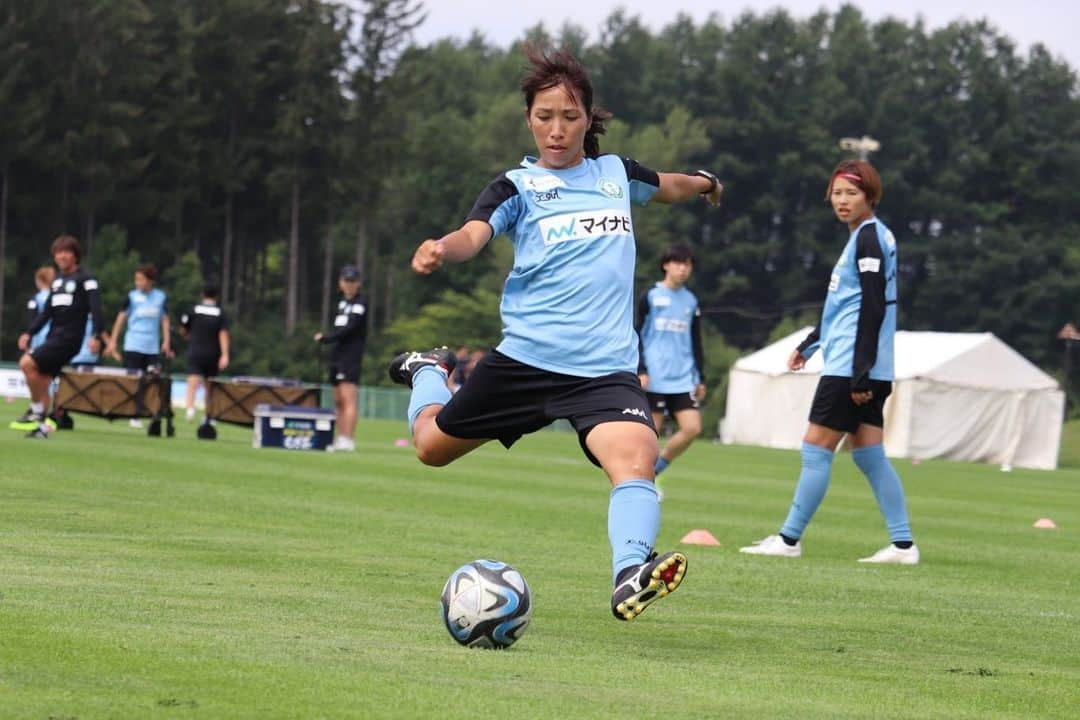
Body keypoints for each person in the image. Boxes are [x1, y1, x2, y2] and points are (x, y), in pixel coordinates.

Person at [388, 46, 723, 621]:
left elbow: (667, 185)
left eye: (569, 117)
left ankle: (629, 574)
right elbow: (475, 232)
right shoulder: (516, 187)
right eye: (544, 116)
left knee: (636, 458)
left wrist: (705, 182)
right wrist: (443, 247)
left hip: (601, 368)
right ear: (529, 119)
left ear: (588, 119)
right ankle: (426, 371)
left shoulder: (616, 175)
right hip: (526, 361)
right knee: (431, 450)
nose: (557, 129)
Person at [740, 160, 918, 564]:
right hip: (866, 366)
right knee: (870, 456)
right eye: (837, 193)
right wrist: (810, 344)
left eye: (851, 194)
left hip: (852, 369)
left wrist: (859, 375)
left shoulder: (870, 238)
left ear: (870, 197)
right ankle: (903, 545)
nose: (842, 201)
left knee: (815, 449)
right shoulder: (864, 238)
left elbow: (872, 308)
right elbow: (843, 307)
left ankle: (788, 540)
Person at [14, 235, 106, 439]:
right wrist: (29, 333)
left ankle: (36, 411)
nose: (61, 256)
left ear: (75, 255)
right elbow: (46, 313)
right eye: (58, 252)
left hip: (69, 339)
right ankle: (42, 426)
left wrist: (97, 336)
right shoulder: (57, 282)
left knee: (26, 363)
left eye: (66, 252)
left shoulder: (87, 279)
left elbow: (96, 309)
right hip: (54, 336)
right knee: (42, 378)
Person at [636, 244, 707, 501]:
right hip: (655, 376)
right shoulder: (651, 296)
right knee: (650, 435)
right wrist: (641, 368)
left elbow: (696, 341)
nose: (683, 269)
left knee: (692, 428)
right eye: (678, 263)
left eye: (687, 264)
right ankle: (642, 482)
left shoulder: (691, 301)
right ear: (666, 265)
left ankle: (655, 470)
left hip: (683, 377)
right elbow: (636, 334)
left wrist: (701, 376)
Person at [106, 264, 171, 427]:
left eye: (140, 279)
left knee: (152, 380)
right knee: (134, 381)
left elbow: (164, 320)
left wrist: (166, 341)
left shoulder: (160, 297)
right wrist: (113, 341)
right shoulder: (132, 297)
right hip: (133, 344)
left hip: (152, 347)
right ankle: (133, 414)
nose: (137, 283)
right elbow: (121, 318)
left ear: (150, 281)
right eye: (136, 279)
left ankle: (150, 411)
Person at [314, 265, 367, 452]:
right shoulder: (342, 304)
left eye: (353, 281)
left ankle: (348, 438)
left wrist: (326, 337)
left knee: (348, 398)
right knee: (338, 399)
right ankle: (340, 436)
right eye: (346, 281)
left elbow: (349, 329)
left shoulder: (360, 304)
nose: (349, 285)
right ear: (340, 282)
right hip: (337, 355)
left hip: (350, 357)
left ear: (358, 283)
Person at [179, 285, 230, 423]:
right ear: (216, 296)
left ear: (202, 294)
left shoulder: (194, 310)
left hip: (195, 351)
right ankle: (209, 414)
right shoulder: (220, 313)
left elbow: (183, 329)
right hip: (213, 353)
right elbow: (223, 334)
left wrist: (188, 336)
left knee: (192, 383)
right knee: (210, 386)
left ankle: (190, 410)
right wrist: (225, 354)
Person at [27, 266, 56, 351]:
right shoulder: (57, 296)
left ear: (39, 280)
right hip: (55, 338)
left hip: (38, 339)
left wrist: (29, 339)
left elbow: (32, 320)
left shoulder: (35, 299)